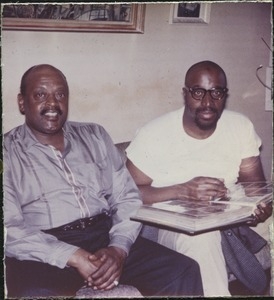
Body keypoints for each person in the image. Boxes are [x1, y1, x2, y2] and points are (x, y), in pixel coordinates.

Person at [3, 64, 204, 298]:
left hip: (103, 235)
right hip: (44, 246)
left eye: (60, 95)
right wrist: (74, 256)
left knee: (181, 270)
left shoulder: (94, 135)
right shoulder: (6, 152)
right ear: (21, 102)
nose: (52, 103)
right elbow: (9, 228)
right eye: (40, 95)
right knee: (36, 293)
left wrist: (118, 248)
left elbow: (126, 196)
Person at [126, 60, 272, 296]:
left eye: (216, 92)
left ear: (224, 94)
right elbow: (127, 193)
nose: (207, 102)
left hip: (230, 218)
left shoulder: (240, 126)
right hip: (172, 224)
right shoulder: (154, 134)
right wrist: (182, 190)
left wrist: (259, 207)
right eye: (198, 92)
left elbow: (254, 187)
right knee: (202, 240)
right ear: (185, 94)